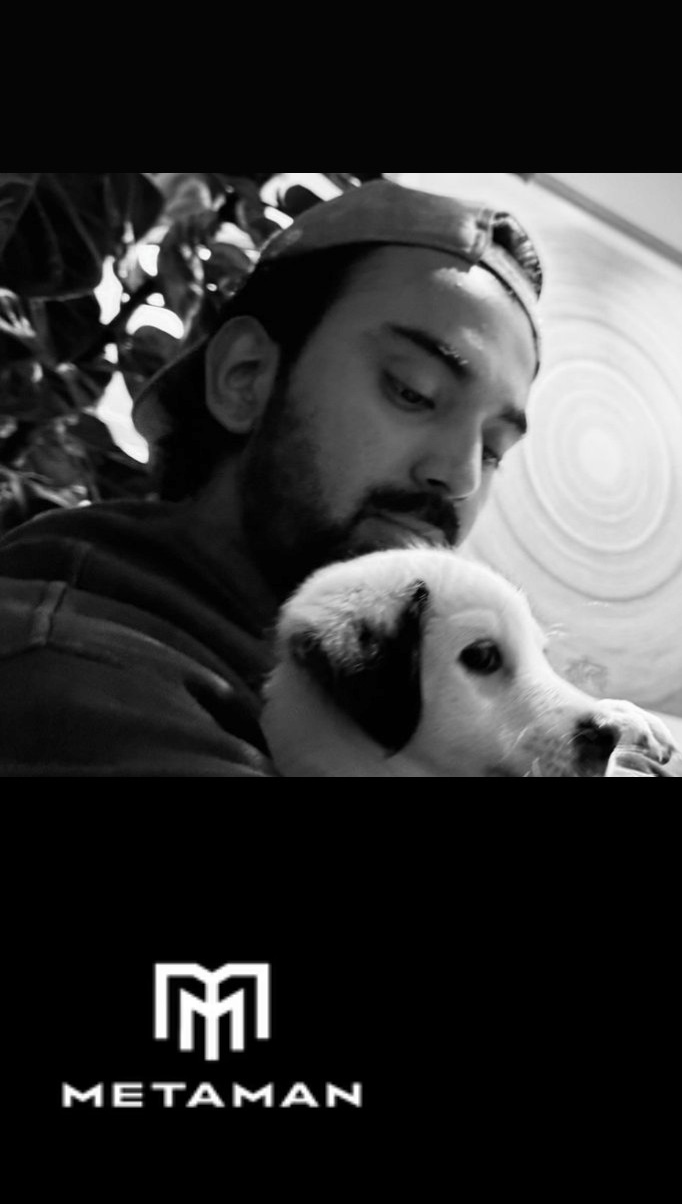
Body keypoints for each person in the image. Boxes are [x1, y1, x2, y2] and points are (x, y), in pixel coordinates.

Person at [0, 183, 544, 776]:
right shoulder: (83, 678)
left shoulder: (304, 702)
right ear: (246, 376)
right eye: (413, 391)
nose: (460, 476)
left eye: (493, 450)